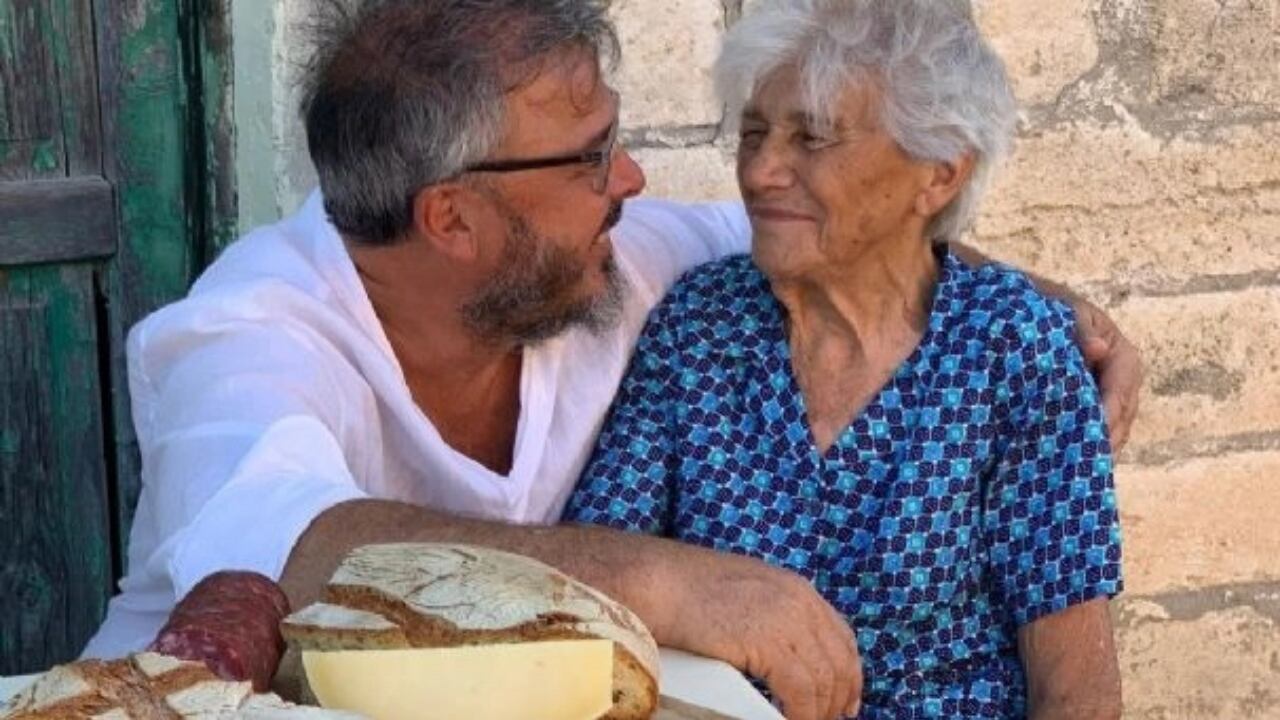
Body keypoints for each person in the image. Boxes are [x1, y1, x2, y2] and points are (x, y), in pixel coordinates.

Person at [81, 2, 1139, 718]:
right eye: (589, 155)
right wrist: (665, 581)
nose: (630, 177)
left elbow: (846, 235)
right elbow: (285, 543)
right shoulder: (243, 332)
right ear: (450, 216)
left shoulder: (614, 258)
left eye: (613, 139)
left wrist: (1045, 313)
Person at [564, 1, 1123, 718]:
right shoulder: (701, 326)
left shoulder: (1012, 350)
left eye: (814, 138)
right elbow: (594, 577)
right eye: (755, 132)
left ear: (939, 174)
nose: (762, 171)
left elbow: (1076, 690)